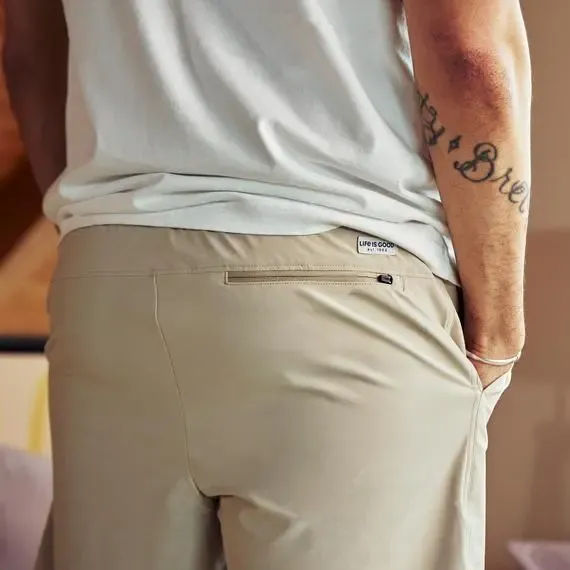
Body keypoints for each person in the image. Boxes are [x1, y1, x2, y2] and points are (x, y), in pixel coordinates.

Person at [3, 0, 532, 568]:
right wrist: (499, 334)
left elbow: (30, 52)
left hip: (108, 288)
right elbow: (466, 55)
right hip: (342, 283)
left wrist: (97, 236)